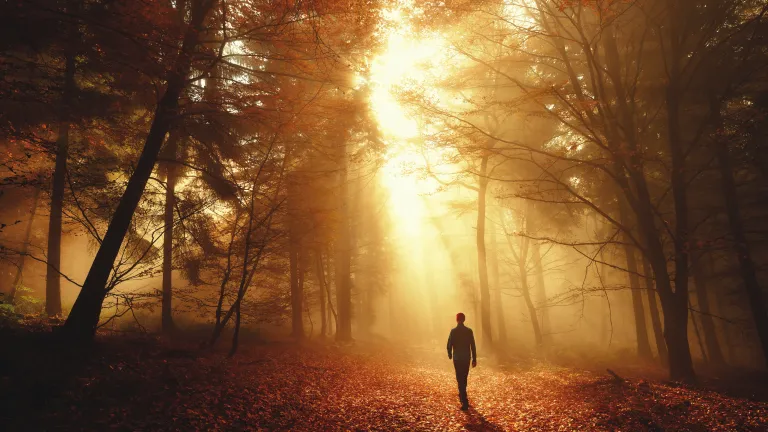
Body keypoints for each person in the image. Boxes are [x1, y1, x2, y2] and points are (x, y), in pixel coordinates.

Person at [446, 312, 477, 410]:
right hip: (466, 358)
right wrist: (474, 358)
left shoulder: (453, 331)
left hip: (457, 358)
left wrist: (450, 354)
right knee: (464, 377)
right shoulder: (469, 331)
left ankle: (464, 399)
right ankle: (463, 396)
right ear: (464, 319)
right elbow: (473, 345)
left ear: (456, 320)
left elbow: (449, 344)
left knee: (459, 378)